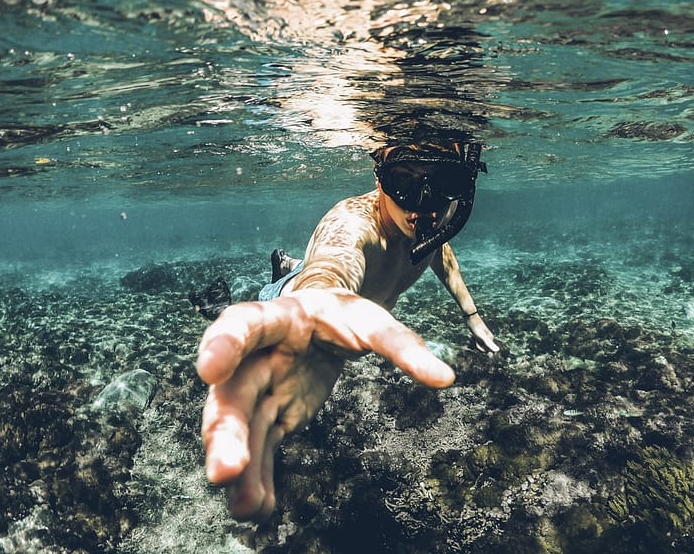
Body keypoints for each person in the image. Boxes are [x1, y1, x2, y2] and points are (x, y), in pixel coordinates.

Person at [195, 140, 499, 521]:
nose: (424, 202)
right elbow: (334, 263)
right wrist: (316, 298)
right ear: (379, 176)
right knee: (244, 305)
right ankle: (258, 284)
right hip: (291, 302)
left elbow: (438, 250)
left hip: (337, 304)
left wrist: (472, 315)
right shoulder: (353, 222)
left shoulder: (429, 223)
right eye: (404, 180)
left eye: (447, 181)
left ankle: (290, 265)